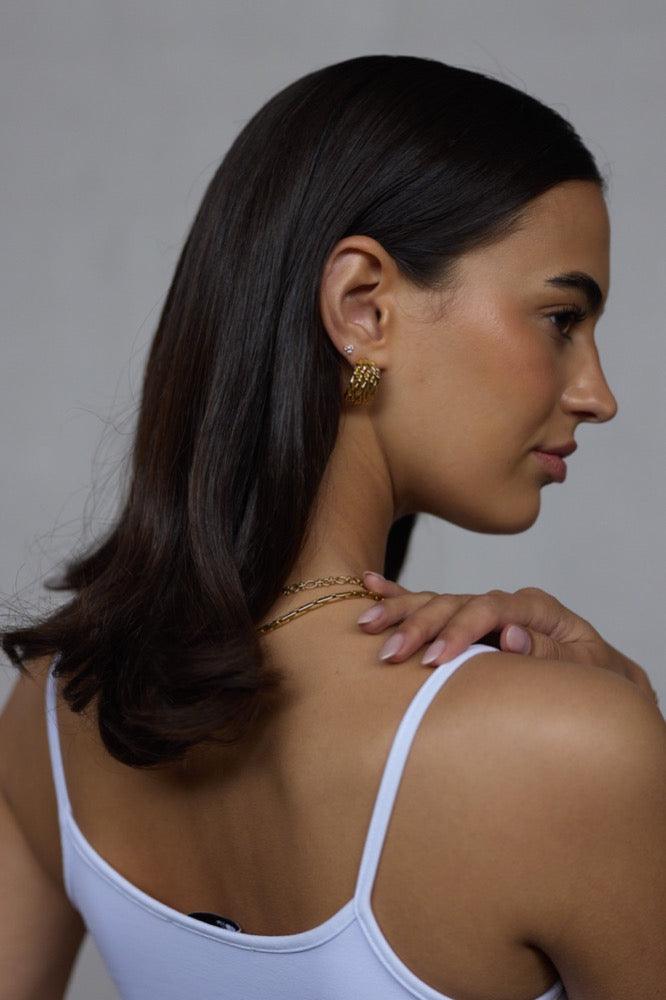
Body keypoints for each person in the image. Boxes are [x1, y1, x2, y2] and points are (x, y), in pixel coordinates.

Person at [1, 54, 664, 1000]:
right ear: (364, 308)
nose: (597, 394)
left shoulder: (57, 704)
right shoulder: (568, 748)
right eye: (562, 318)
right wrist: (629, 735)